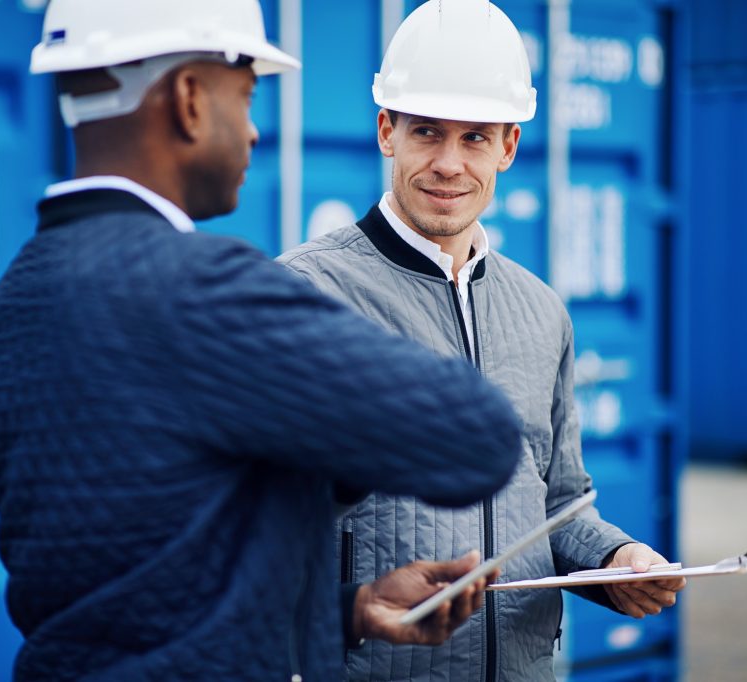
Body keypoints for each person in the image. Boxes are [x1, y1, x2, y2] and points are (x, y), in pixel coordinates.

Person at [0, 1, 525, 680]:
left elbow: (145, 582)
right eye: (247, 93)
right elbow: (476, 436)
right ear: (191, 99)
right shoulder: (202, 290)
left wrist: (348, 607)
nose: (254, 131)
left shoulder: (16, 306)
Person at [277, 1, 687, 680]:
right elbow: (247, 527)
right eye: (427, 132)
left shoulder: (541, 310)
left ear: (509, 146)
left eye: (474, 138)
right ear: (387, 131)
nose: (447, 164)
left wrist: (613, 560)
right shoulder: (301, 294)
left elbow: (560, 502)